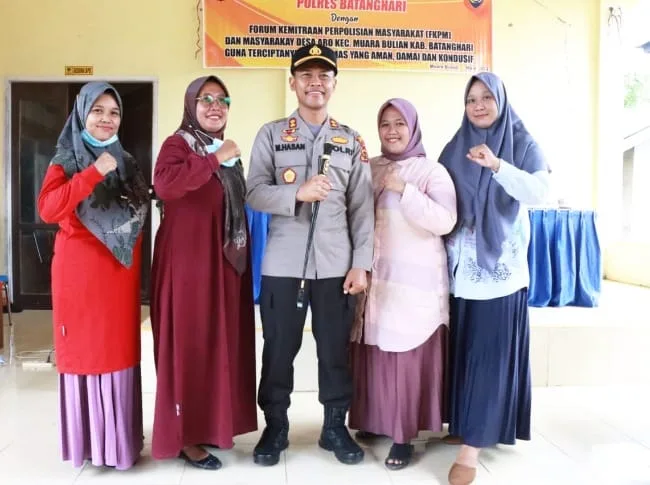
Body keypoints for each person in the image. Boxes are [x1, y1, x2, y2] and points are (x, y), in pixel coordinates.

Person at [246, 42, 374, 467]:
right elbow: (254, 192)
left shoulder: (350, 140)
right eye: (306, 75)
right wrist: (295, 193)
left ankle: (334, 427)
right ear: (293, 83)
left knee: (334, 350)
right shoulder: (271, 134)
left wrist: (361, 263)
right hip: (284, 263)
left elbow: (362, 208)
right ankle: (275, 426)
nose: (314, 83)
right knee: (278, 349)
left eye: (323, 75)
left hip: (336, 264)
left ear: (334, 84)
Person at [439, 72, 550, 485]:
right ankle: (467, 422)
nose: (479, 105)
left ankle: (472, 448)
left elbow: (540, 192)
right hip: (460, 273)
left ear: (501, 100)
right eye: (471, 99)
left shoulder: (522, 143)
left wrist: (498, 165)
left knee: (489, 357)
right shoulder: (455, 147)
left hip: (500, 273)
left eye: (487, 97)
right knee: (464, 353)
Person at [37, 81, 150, 470]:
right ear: (82, 114)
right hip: (80, 274)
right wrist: (92, 173)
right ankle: (90, 444)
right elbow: (48, 209)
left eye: (114, 112)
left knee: (118, 352)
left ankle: (121, 444)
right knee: (87, 352)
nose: (106, 119)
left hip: (119, 274)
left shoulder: (127, 160)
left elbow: (138, 212)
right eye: (97, 111)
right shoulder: (65, 159)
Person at [150, 76, 257, 470]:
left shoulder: (226, 152)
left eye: (222, 100)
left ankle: (214, 425)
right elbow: (166, 186)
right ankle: (186, 436)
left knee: (219, 342)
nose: (215, 106)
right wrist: (214, 158)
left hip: (223, 262)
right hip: (189, 264)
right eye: (206, 99)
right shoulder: (179, 144)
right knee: (190, 343)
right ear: (191, 104)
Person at [348, 98, 456, 470]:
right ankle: (376, 421)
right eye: (385, 124)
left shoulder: (431, 171)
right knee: (375, 351)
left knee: (404, 357)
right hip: (376, 279)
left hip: (414, 284)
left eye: (399, 123)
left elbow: (445, 220)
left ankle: (402, 435)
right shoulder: (371, 167)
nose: (392, 131)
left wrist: (405, 189)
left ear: (413, 128)